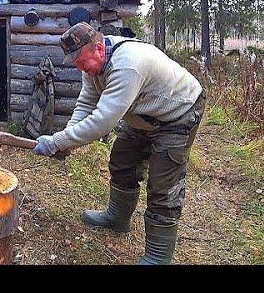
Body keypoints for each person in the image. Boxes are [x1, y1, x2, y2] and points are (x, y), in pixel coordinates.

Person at [33, 22, 205, 265]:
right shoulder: (92, 67)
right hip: (142, 114)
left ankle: (158, 257)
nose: (81, 68)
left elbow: (102, 121)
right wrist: (65, 140)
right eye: (76, 63)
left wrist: (56, 141)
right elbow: (86, 105)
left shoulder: (128, 66)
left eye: (82, 62)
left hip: (178, 113)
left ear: (99, 49)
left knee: (162, 185)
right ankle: (118, 218)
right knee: (122, 161)